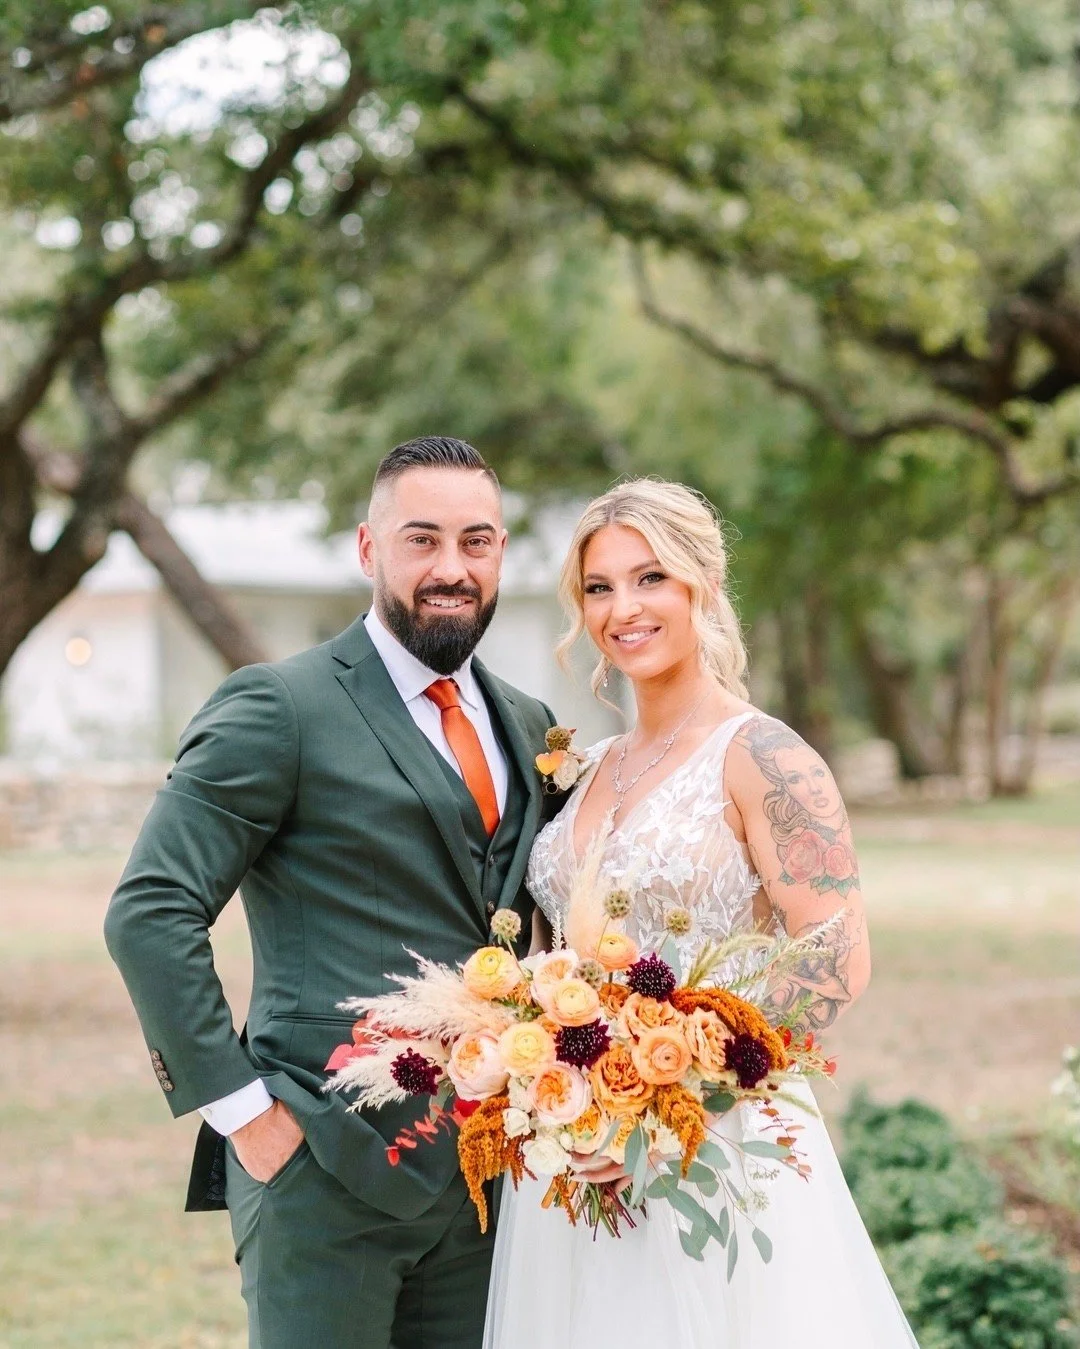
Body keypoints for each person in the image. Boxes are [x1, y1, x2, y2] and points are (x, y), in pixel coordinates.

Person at [105, 437, 556, 1349]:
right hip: (324, 1167)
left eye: (475, 541)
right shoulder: (279, 707)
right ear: (367, 547)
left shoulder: (530, 722)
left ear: (501, 553)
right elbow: (150, 912)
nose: (451, 567)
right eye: (421, 539)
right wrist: (246, 1116)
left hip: (488, 1179)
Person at [484, 478, 919, 1347]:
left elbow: (836, 956)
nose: (624, 608)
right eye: (600, 587)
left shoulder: (766, 757)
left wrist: (674, 1102)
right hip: (576, 1156)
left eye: (651, 577)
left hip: (718, 1140)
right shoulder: (585, 767)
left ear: (704, 585)